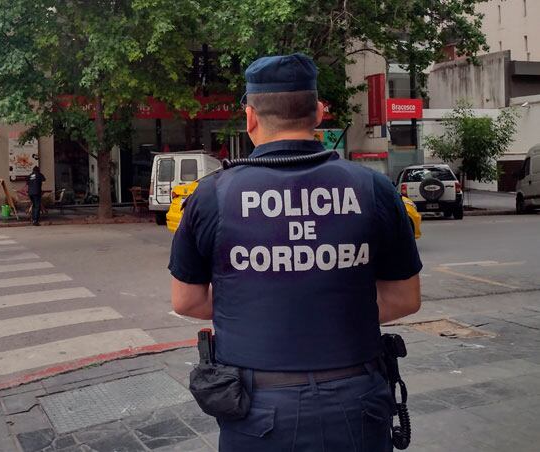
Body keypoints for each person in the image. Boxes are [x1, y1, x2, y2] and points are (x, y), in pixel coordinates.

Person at [169, 53, 422, 451]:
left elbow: (187, 300)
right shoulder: (372, 189)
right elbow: (404, 298)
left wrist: (267, 304)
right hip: (357, 400)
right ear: (318, 114)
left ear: (250, 118)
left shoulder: (213, 194)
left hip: (258, 408)